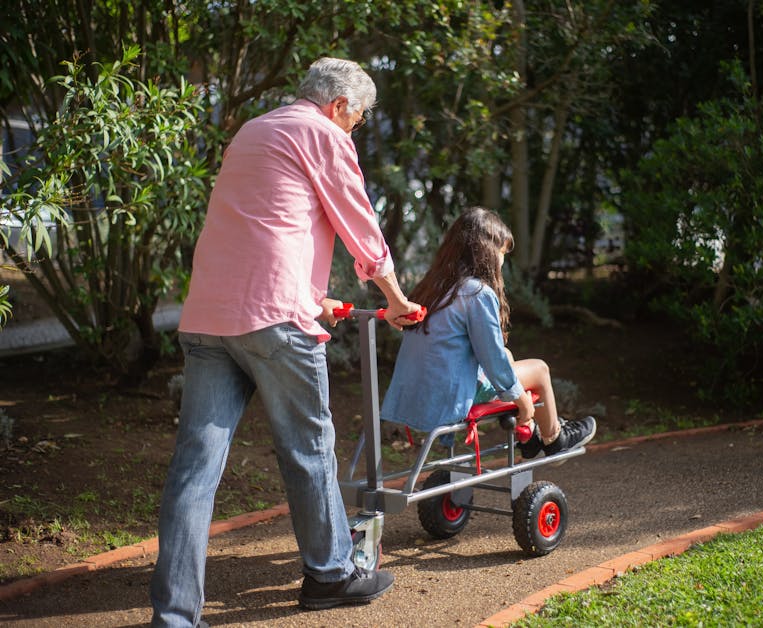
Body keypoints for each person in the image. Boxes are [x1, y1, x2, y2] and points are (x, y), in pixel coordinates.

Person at [150, 57, 421, 627]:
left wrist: (309, 292)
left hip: (210, 315)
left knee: (194, 470)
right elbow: (361, 227)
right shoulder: (321, 133)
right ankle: (330, 575)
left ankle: (174, 617)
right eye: (360, 118)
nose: (357, 129)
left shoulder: (254, 129)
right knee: (309, 448)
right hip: (274, 321)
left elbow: (263, 223)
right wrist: (396, 300)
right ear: (339, 105)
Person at [380, 207, 596, 459]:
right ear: (486, 252)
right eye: (502, 252)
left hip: (417, 391)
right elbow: (491, 358)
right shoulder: (475, 293)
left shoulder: (434, 287)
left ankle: (530, 433)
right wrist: (521, 400)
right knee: (539, 370)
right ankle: (554, 436)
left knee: (507, 354)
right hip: (450, 395)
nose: (503, 261)